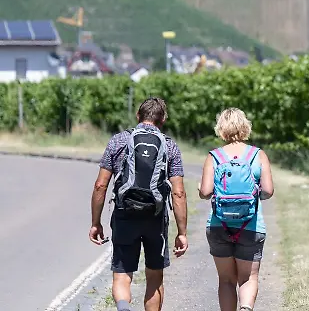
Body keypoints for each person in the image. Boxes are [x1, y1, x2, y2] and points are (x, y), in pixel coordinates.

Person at [90, 97, 189, 311]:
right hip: (155, 217)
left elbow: (100, 185)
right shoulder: (169, 146)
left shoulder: (118, 141)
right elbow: (178, 192)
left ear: (138, 116)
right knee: (154, 277)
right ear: (163, 119)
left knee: (122, 274)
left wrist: (96, 222)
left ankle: (124, 307)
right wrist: (182, 232)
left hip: (125, 215)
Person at [198, 107, 275, 311]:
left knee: (226, 280)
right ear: (245, 127)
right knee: (248, 277)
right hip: (250, 226)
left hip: (219, 225)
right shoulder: (258, 155)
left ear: (221, 129)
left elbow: (205, 192)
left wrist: (203, 189)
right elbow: (268, 191)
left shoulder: (214, 156)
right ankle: (246, 308)